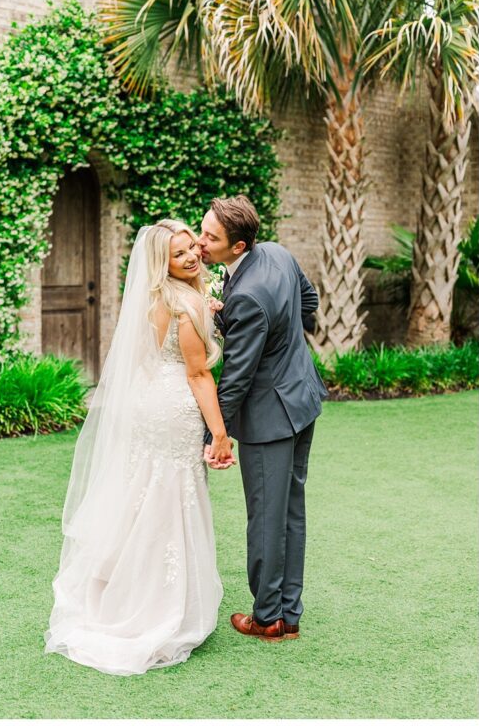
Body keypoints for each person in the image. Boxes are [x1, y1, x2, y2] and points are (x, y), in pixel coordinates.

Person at [45, 220, 228, 675]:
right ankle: (156, 608)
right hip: (176, 411)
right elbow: (198, 374)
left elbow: (158, 354)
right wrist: (220, 433)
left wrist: (204, 304)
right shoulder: (187, 306)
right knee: (170, 500)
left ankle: (124, 589)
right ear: (161, 262)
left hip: (151, 405)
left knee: (146, 495)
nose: (191, 256)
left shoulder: (157, 299)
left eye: (192, 248)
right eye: (178, 254)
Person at [197, 195, 327, 642]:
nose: (201, 241)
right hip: (302, 397)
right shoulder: (277, 252)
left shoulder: (248, 296)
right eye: (203, 229)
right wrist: (285, 340)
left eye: (211, 237)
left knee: (267, 517)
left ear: (237, 246)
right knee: (290, 510)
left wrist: (215, 433)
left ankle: (268, 617)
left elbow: (236, 377)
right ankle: (289, 613)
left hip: (271, 416)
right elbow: (308, 302)